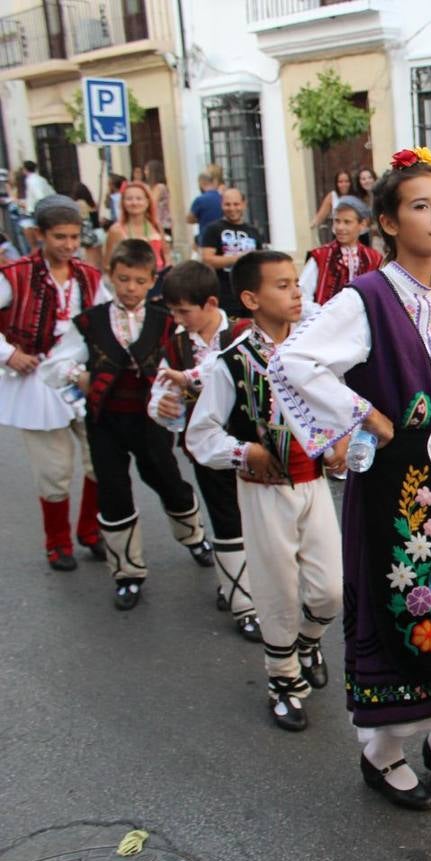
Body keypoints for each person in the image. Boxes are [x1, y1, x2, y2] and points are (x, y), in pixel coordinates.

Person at [270, 148, 431, 811]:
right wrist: (364, 415)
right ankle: (381, 756)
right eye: (420, 206)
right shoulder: (366, 299)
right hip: (390, 485)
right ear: (386, 220)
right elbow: (295, 363)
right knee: (406, 615)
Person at [187, 250, 343, 731]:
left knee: (331, 590)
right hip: (264, 491)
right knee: (277, 589)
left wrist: (339, 442)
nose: (296, 292)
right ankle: (283, 680)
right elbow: (201, 436)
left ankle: (308, 639)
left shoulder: (314, 353)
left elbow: (337, 406)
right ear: (251, 299)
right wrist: (245, 453)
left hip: (313, 483)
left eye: (296, 282)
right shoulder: (229, 364)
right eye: (282, 285)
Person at [38, 239, 211, 610]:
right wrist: (77, 375)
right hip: (105, 422)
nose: (130, 287)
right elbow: (54, 363)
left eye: (138, 280)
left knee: (169, 481)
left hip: (150, 422)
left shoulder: (167, 321)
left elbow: (191, 362)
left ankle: (194, 536)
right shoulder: (89, 321)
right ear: (111, 277)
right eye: (123, 279)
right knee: (113, 493)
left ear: (152, 282)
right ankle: (127, 572)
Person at [150, 259, 260, 639]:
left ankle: (240, 579)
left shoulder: (244, 332)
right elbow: (162, 393)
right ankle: (243, 603)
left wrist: (189, 379)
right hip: (208, 449)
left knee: (255, 518)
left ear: (211, 302)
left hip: (251, 442)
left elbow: (225, 368)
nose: (178, 319)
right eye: (173, 311)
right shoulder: (176, 345)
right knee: (226, 517)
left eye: (184, 311)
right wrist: (163, 406)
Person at [0, 195, 105, 570]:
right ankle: (57, 541)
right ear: (40, 235)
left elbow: (106, 321)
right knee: (54, 470)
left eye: (75, 237)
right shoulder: (15, 275)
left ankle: (90, 530)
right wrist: (8, 353)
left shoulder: (89, 277)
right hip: (36, 383)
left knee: (99, 461)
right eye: (60, 236)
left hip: (81, 377)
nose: (69, 245)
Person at [299, 195, 382, 315]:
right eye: (337, 221)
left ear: (362, 224)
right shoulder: (321, 256)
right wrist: (326, 314)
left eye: (347, 222)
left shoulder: (374, 259)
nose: (340, 227)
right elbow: (302, 297)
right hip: (326, 327)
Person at [200, 188, 265, 318]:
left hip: (250, 295)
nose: (232, 208)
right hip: (224, 294)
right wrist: (239, 258)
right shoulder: (213, 229)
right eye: (227, 204)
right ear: (222, 205)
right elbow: (207, 260)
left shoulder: (253, 231)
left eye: (236, 204)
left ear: (244, 204)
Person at [104, 181, 169, 270]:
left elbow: (166, 254)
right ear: (123, 202)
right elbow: (108, 265)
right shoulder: (116, 230)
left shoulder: (155, 225)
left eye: (139, 199)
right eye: (129, 199)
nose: (134, 203)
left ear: (147, 202)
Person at [310, 170, 354, 239]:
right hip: (339, 236)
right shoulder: (332, 196)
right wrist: (311, 225)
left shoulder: (356, 196)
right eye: (340, 182)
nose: (344, 184)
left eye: (346, 181)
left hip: (354, 236)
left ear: (350, 182)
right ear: (336, 183)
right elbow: (320, 217)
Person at [186, 169, 223, 245]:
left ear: (201, 183)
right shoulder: (222, 198)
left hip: (206, 238)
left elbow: (189, 219)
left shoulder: (199, 200)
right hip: (222, 236)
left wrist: (200, 219)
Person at [145, 160, 172, 240]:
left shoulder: (159, 187)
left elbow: (152, 202)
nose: (145, 172)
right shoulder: (152, 187)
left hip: (162, 223)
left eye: (147, 170)